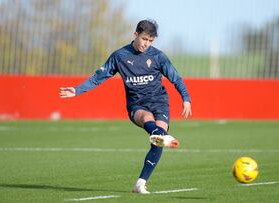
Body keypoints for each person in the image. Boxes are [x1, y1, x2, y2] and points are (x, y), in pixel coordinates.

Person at [59, 19, 192, 194]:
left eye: (150, 41)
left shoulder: (158, 56)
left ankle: (140, 183)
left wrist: (186, 98)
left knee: (157, 139)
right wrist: (76, 90)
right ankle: (162, 136)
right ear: (135, 34)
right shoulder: (119, 56)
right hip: (137, 105)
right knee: (148, 121)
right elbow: (97, 78)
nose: (146, 44)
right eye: (144, 39)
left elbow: (176, 78)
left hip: (159, 102)